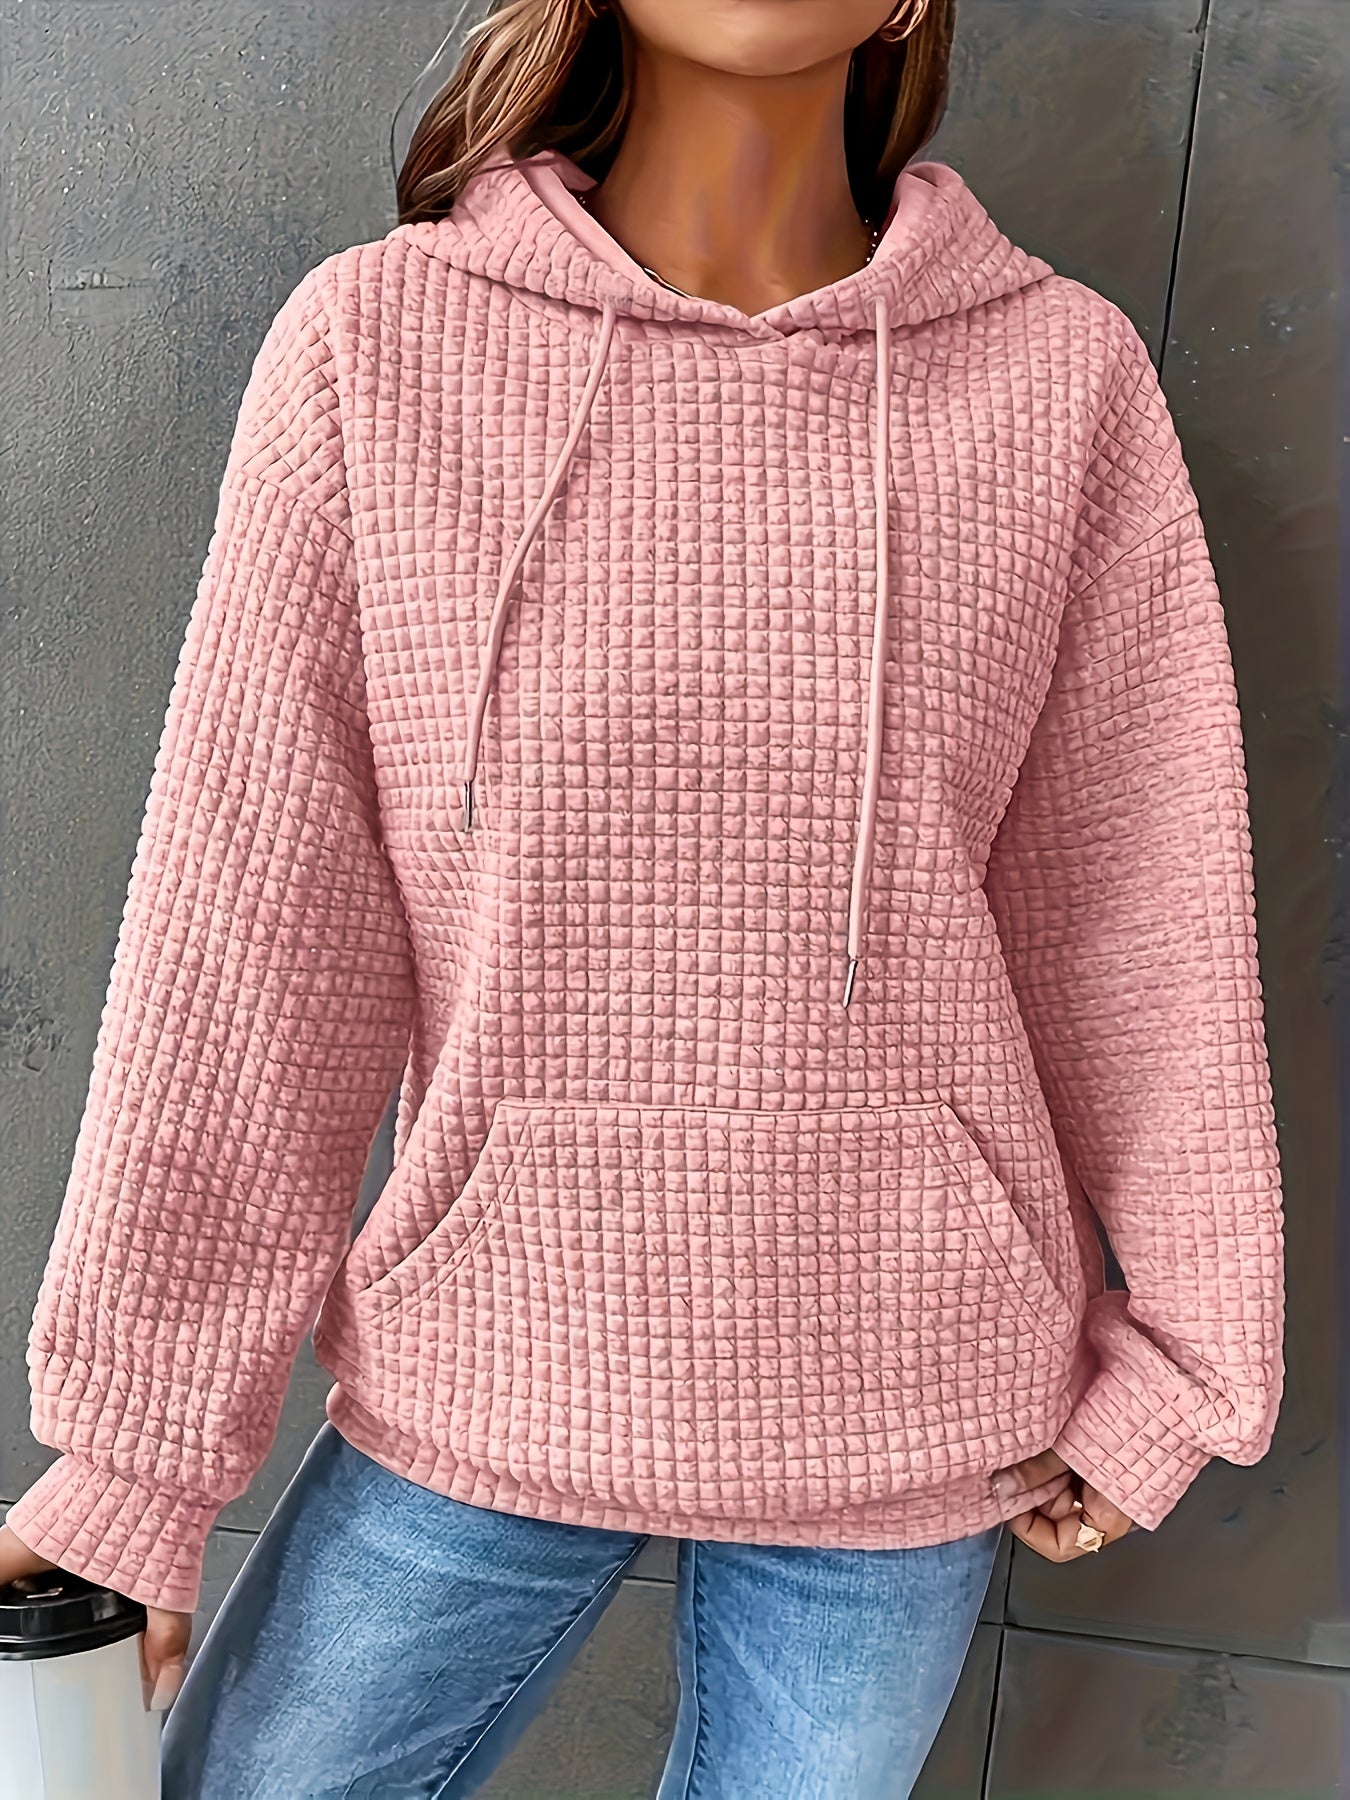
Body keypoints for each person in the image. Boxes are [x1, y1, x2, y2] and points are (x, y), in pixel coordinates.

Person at [0, 0, 1286, 1794]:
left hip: (907, 1389)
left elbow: (1138, 905)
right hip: (492, 1358)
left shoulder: (1057, 379)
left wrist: (1186, 1363)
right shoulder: (380, 346)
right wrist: (134, 1455)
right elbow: (254, 927)